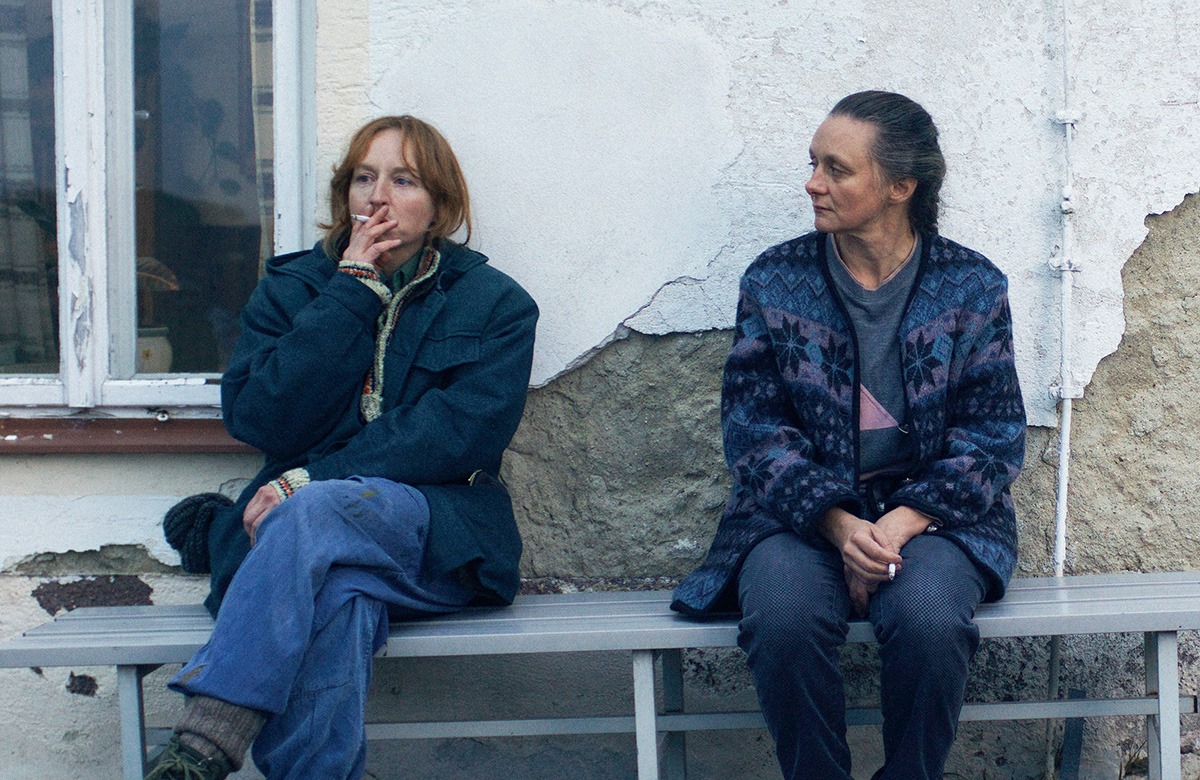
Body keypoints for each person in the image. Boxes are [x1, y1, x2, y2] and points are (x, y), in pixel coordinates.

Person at [147, 115, 538, 780]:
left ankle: (208, 739)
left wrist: (310, 480)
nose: (377, 197)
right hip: (309, 550)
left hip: (435, 532)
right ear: (344, 195)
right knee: (341, 596)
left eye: (403, 179)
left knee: (316, 511)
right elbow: (260, 417)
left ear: (441, 204)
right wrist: (349, 292)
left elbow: (454, 437)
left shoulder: (496, 306)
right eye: (364, 177)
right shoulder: (292, 289)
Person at [671, 91, 1025, 780]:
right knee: (782, 619)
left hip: (935, 521)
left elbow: (993, 435)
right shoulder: (776, 281)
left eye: (836, 168)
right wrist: (838, 525)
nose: (813, 183)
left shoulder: (971, 286)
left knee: (928, 619)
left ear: (900, 186)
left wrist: (896, 527)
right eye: (814, 164)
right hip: (797, 518)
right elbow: (753, 431)